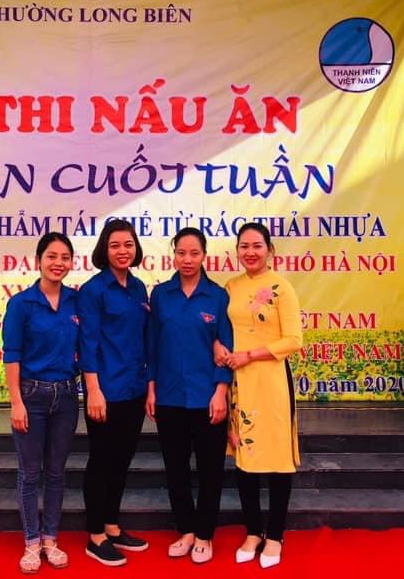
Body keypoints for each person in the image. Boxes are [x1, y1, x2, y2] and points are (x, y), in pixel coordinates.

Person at [146, 227, 233, 564]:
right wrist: (151, 387)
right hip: (169, 397)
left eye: (194, 253)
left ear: (204, 256)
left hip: (207, 397)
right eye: (181, 253)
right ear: (174, 255)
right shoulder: (160, 294)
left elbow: (226, 346)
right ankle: (185, 530)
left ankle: (205, 534)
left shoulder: (217, 296)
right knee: (176, 468)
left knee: (211, 470)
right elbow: (152, 345)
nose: (187, 259)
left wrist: (221, 391)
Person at [218, 222, 302, 569]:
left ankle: (276, 535)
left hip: (272, 382)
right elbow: (219, 328)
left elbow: (293, 340)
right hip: (239, 383)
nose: (250, 252)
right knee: (245, 455)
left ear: (270, 250)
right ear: (237, 251)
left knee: (278, 458)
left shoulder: (282, 287)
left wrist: (250, 355)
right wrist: (219, 347)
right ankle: (253, 531)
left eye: (257, 246)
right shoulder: (230, 287)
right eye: (244, 246)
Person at [3, 232, 81, 574]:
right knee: (30, 473)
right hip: (31, 397)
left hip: (66, 397)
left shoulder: (76, 301)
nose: (58, 263)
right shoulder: (21, 304)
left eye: (65, 257)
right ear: (38, 261)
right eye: (52, 256)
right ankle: (31, 542)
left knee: (56, 472)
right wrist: (16, 402)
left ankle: (51, 538)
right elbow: (12, 355)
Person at [78, 219, 151, 566]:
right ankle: (95, 536)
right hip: (105, 391)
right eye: (115, 245)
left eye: (128, 244)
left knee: (121, 461)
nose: (123, 251)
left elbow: (144, 338)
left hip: (134, 389)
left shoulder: (138, 288)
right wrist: (92, 389)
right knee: (101, 462)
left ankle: (112, 525)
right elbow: (87, 342)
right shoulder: (93, 290)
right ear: (104, 250)